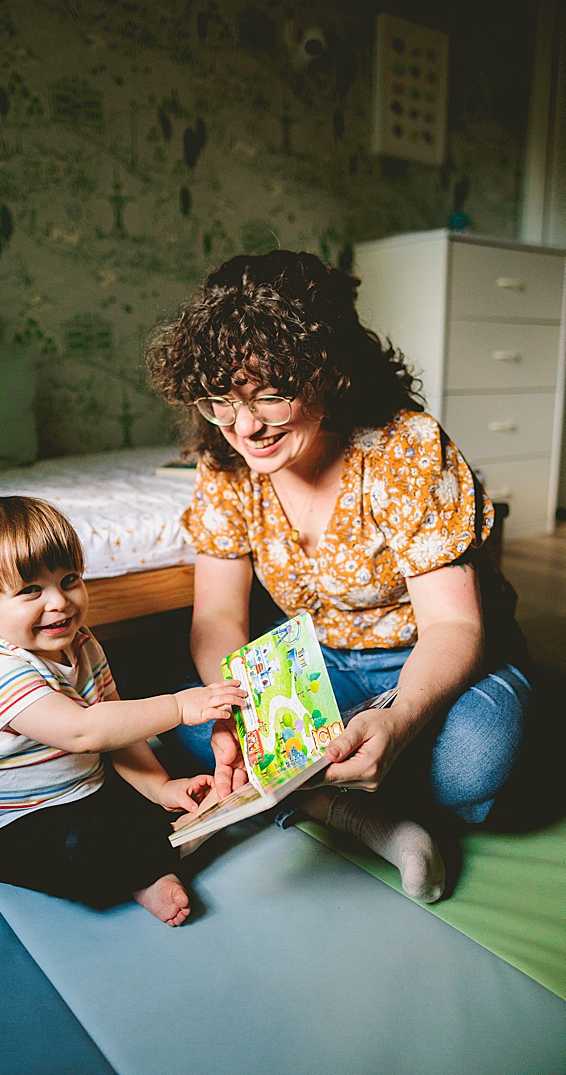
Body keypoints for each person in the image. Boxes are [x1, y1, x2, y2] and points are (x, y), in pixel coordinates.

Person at [146, 249, 533, 903]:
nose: (244, 427)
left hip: (437, 659)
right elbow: (217, 619)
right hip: (318, 657)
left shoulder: (405, 447)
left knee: (478, 751)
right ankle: (352, 809)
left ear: (330, 373)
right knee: (182, 721)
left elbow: (455, 624)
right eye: (221, 400)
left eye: (270, 394)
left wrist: (402, 718)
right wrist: (238, 708)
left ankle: (306, 784)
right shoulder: (223, 461)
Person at [0, 496, 245, 925]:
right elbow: (84, 731)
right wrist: (178, 705)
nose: (59, 602)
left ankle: (163, 842)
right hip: (13, 828)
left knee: (172, 788)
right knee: (88, 847)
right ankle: (153, 865)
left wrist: (160, 788)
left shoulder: (81, 643)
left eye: (69, 579)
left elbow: (117, 729)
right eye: (30, 591)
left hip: (84, 788)